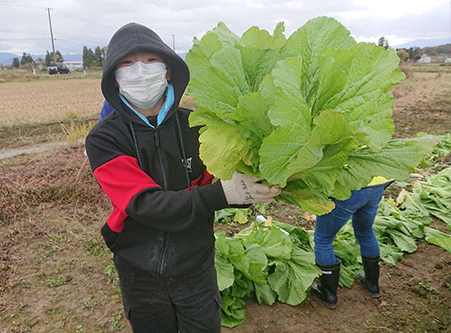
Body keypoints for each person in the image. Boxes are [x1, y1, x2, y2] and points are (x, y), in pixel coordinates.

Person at [85, 23, 281, 332]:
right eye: (127, 63)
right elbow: (144, 204)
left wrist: (252, 188)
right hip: (140, 270)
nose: (140, 71)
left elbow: (217, 184)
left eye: (150, 60)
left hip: (195, 265)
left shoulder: (197, 125)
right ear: (114, 76)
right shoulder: (104, 138)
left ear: (168, 71)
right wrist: (224, 194)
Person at [311, 177, 393, 309]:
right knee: (365, 233)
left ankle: (328, 294)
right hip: (376, 186)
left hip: (347, 186)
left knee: (323, 240)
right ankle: (372, 285)